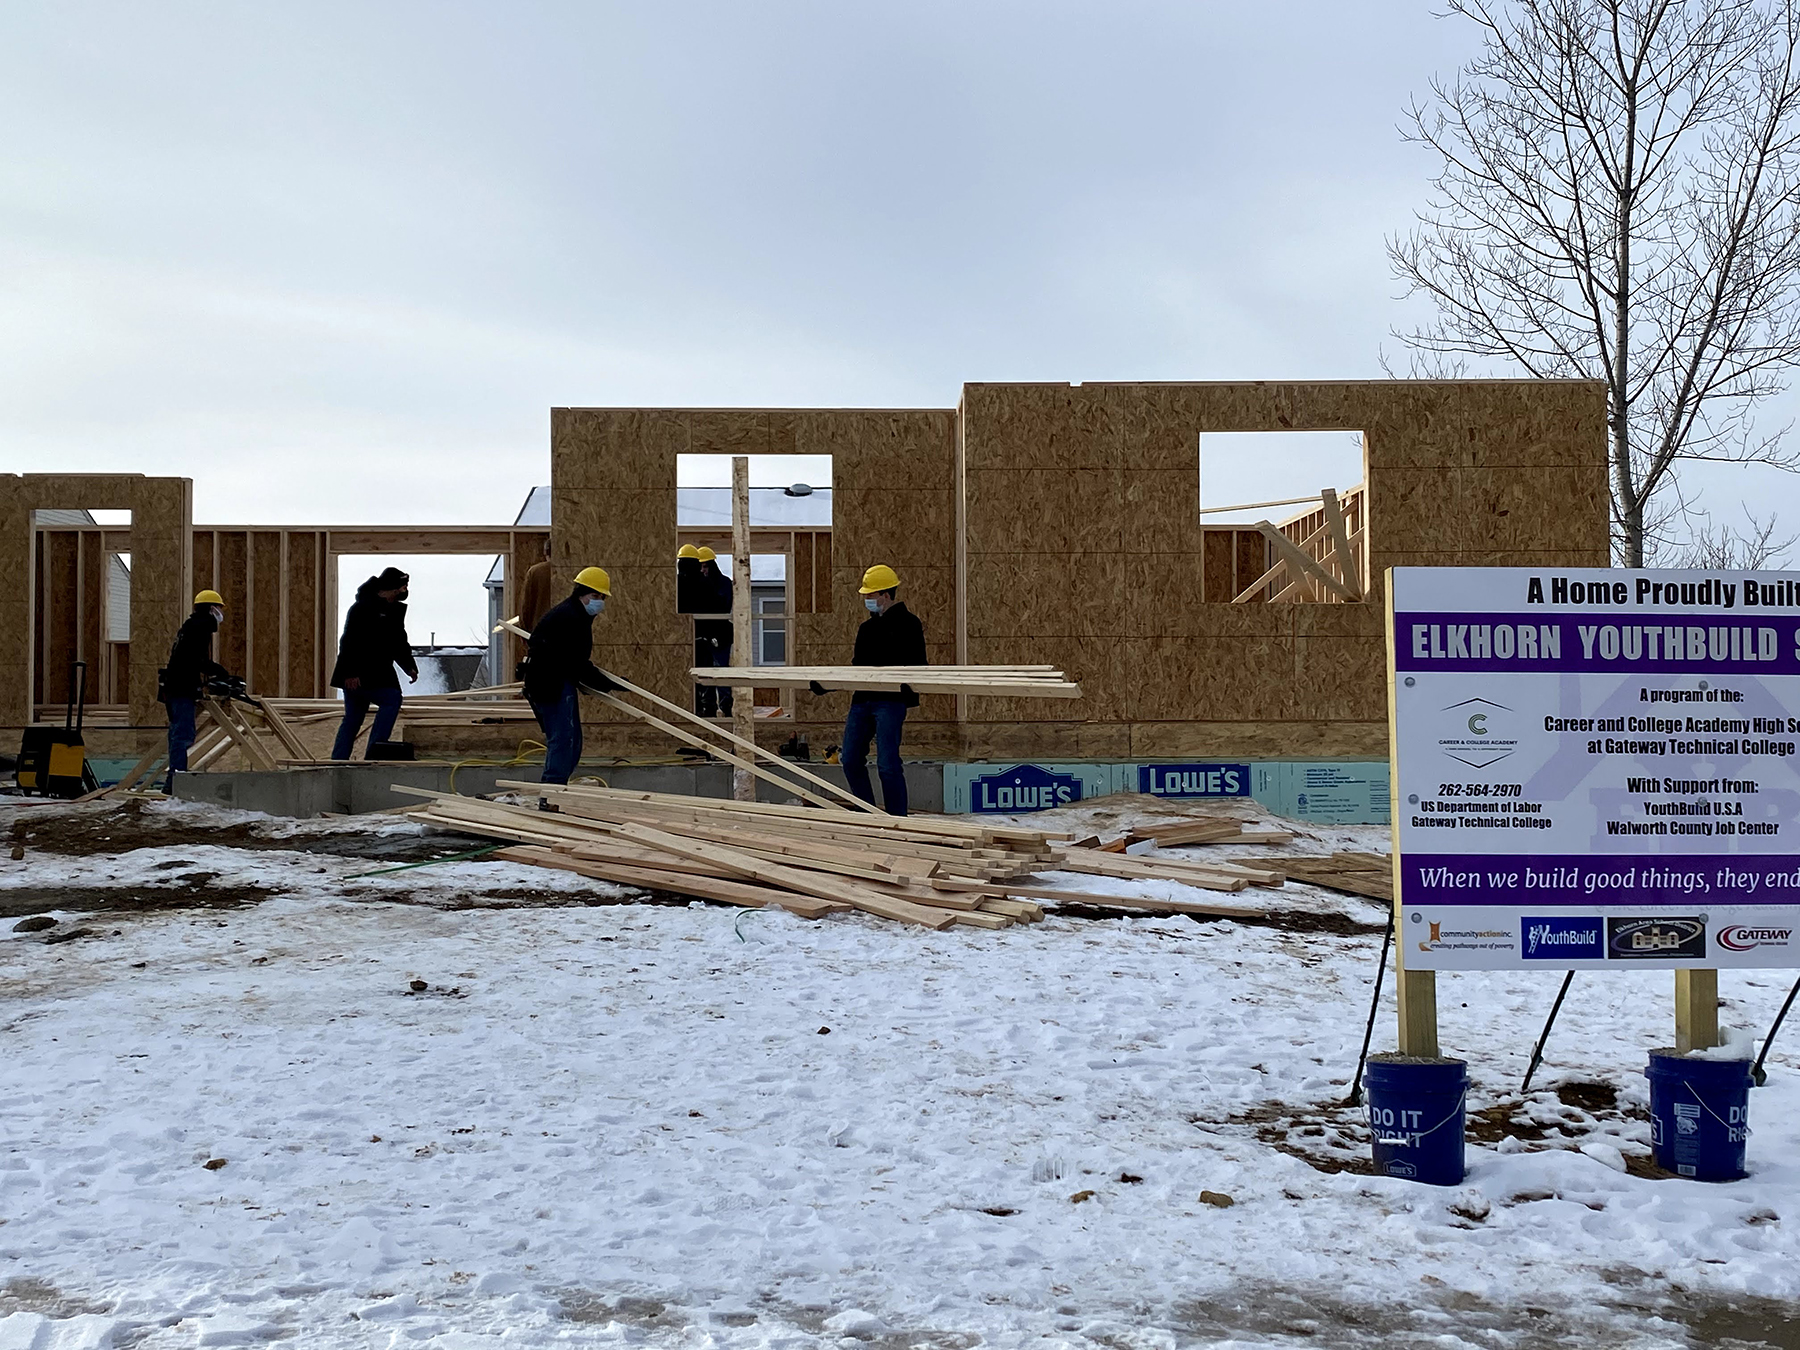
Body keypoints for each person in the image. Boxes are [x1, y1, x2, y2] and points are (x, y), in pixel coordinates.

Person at [835, 563, 925, 815]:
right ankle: (868, 814)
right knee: (850, 760)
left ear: (886, 594)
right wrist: (827, 685)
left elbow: (919, 665)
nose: (866, 600)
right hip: (863, 700)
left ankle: (898, 819)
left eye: (870, 595)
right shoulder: (867, 629)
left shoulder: (909, 624)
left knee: (887, 764)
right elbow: (857, 668)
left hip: (891, 701)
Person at [522, 566, 624, 784]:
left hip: (555, 680)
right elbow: (576, 664)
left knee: (572, 739)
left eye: (602, 596)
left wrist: (609, 683)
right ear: (581, 593)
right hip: (549, 683)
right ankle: (552, 790)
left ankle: (559, 786)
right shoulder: (570, 617)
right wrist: (609, 684)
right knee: (563, 739)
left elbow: (575, 663)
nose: (599, 601)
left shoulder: (576, 614)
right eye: (595, 596)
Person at [329, 566, 418, 760]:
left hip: (377, 672)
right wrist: (350, 673)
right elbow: (349, 641)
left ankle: (343, 759)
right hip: (359, 673)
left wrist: (409, 666)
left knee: (354, 718)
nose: (403, 593)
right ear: (391, 589)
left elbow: (398, 641)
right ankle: (373, 754)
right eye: (401, 589)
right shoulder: (362, 609)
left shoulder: (392, 611)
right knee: (390, 699)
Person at [160, 589, 233, 792]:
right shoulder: (200, 627)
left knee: (177, 734)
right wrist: (219, 672)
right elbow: (194, 660)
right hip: (182, 688)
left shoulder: (191, 626)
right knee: (182, 735)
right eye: (218, 607)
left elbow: (190, 659)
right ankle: (175, 782)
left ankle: (174, 779)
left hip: (176, 686)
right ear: (211, 608)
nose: (220, 612)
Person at [691, 546, 734, 718]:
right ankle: (708, 706)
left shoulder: (724, 583)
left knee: (721, 671)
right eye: (700, 567)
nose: (703, 570)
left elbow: (723, 607)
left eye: (706, 566)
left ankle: (726, 706)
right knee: (704, 672)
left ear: (712, 566)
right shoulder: (697, 585)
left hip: (720, 635)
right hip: (703, 636)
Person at [518, 536, 556, 631]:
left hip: (541, 631)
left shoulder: (536, 572)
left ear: (546, 552)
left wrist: (525, 629)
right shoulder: (571, 571)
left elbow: (526, 606)